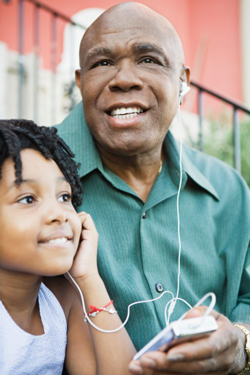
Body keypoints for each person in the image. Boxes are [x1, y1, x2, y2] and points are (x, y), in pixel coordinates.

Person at [56, 2, 250, 374]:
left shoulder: (229, 189)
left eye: (149, 60)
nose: (124, 78)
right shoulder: (28, 177)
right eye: (102, 63)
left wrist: (241, 340)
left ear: (183, 80)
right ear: (81, 83)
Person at [0, 119, 136, 374]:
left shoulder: (61, 298)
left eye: (64, 197)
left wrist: (89, 279)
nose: (59, 214)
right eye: (28, 199)